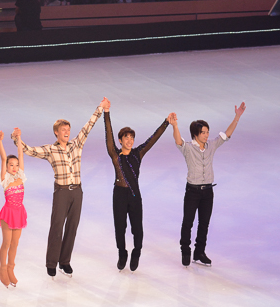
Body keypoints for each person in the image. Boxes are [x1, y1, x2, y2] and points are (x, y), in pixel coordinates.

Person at [11, 97, 108, 278]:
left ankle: (65, 262)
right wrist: (16, 138)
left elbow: (88, 126)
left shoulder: (76, 144)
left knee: (72, 226)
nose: (67, 132)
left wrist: (100, 108)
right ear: (56, 132)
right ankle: (51, 263)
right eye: (63, 130)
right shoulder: (50, 150)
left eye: (68, 129)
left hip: (77, 191)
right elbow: (29, 150)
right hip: (61, 192)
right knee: (57, 226)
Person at [169, 102, 247, 268]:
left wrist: (237, 117)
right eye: (203, 132)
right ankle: (185, 250)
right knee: (188, 222)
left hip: (208, 192)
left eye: (207, 132)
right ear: (195, 134)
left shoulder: (211, 145)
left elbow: (226, 134)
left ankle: (199, 252)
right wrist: (175, 125)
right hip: (192, 191)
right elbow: (178, 141)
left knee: (204, 223)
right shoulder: (188, 148)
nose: (206, 135)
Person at [102, 102, 171, 272]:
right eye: (127, 138)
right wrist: (107, 112)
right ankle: (122, 253)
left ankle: (137, 252)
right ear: (121, 141)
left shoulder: (138, 153)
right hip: (119, 194)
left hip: (134, 196)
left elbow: (153, 139)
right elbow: (108, 134)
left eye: (132, 138)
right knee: (120, 227)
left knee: (137, 228)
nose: (130, 141)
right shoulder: (115, 155)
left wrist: (166, 122)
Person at [0, 130, 26, 288]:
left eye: (16, 165)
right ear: (7, 167)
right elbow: (2, 157)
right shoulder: (5, 179)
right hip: (8, 214)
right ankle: (2, 269)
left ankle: (11, 269)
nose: (14, 167)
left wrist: (19, 138)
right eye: (11, 165)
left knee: (15, 243)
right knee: (6, 242)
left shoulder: (21, 175)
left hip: (19, 213)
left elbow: (21, 154)